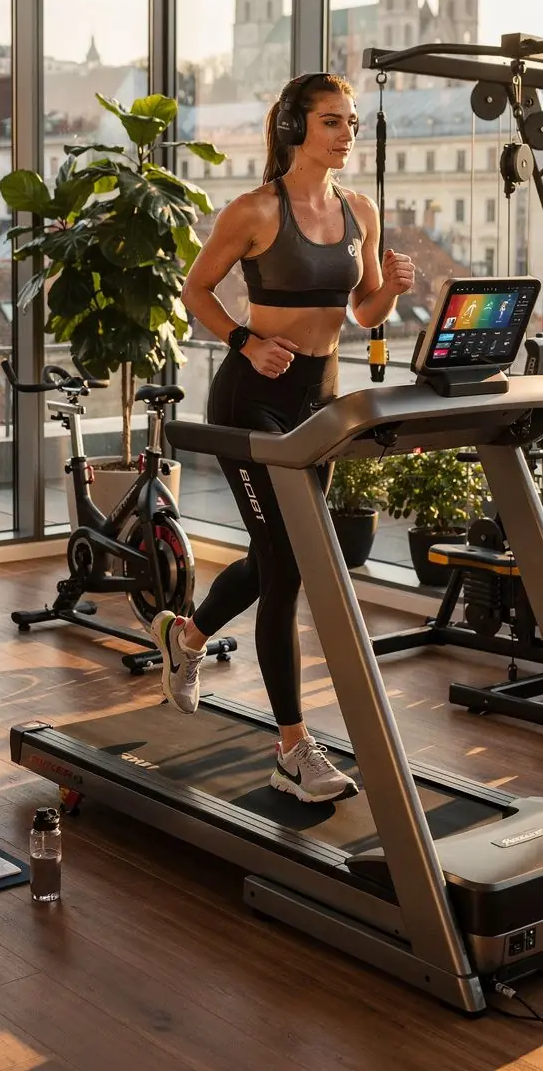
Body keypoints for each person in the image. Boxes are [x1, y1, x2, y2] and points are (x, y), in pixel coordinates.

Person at [151, 71, 415, 803]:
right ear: (295, 128)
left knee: (279, 559)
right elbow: (194, 289)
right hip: (252, 403)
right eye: (333, 121)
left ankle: (187, 637)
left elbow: (359, 311)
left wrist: (389, 288)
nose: (347, 134)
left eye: (353, 122)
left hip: (318, 402)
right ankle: (292, 748)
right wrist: (242, 339)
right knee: (288, 569)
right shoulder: (256, 209)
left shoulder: (359, 210)